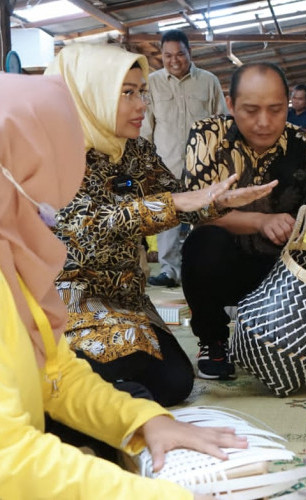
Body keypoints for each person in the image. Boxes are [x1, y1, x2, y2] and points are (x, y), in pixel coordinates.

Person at [0, 72, 249, 500]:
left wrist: (142, 421)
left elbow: (55, 374)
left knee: (171, 379)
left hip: (126, 304)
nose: (59, 191)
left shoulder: (16, 264)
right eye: (51, 167)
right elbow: (10, 462)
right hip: (81, 302)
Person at [45, 44, 276, 406]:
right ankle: (69, 398)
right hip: (71, 298)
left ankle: (98, 399)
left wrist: (216, 201)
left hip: (127, 298)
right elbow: (88, 227)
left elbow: (177, 202)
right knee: (110, 363)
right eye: (127, 93)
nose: (142, 105)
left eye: (142, 93)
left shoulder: (135, 151)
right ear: (90, 94)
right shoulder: (52, 155)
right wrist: (178, 202)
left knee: (175, 383)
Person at [182, 62, 306, 380]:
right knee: (202, 243)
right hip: (224, 265)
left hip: (282, 276)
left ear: (289, 103)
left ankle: (285, 333)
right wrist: (258, 220)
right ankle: (213, 339)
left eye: (276, 109)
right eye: (251, 110)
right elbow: (197, 211)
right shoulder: (207, 137)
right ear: (231, 104)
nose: (264, 122)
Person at [142, 29, 228, 288]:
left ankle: (202, 267)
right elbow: (146, 126)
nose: (174, 60)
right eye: (168, 55)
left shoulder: (208, 81)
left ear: (190, 53)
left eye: (180, 54)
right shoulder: (152, 82)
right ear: (162, 55)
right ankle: (170, 271)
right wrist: (146, 164)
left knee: (204, 217)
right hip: (166, 163)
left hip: (202, 164)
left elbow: (221, 121)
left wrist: (220, 161)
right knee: (168, 217)